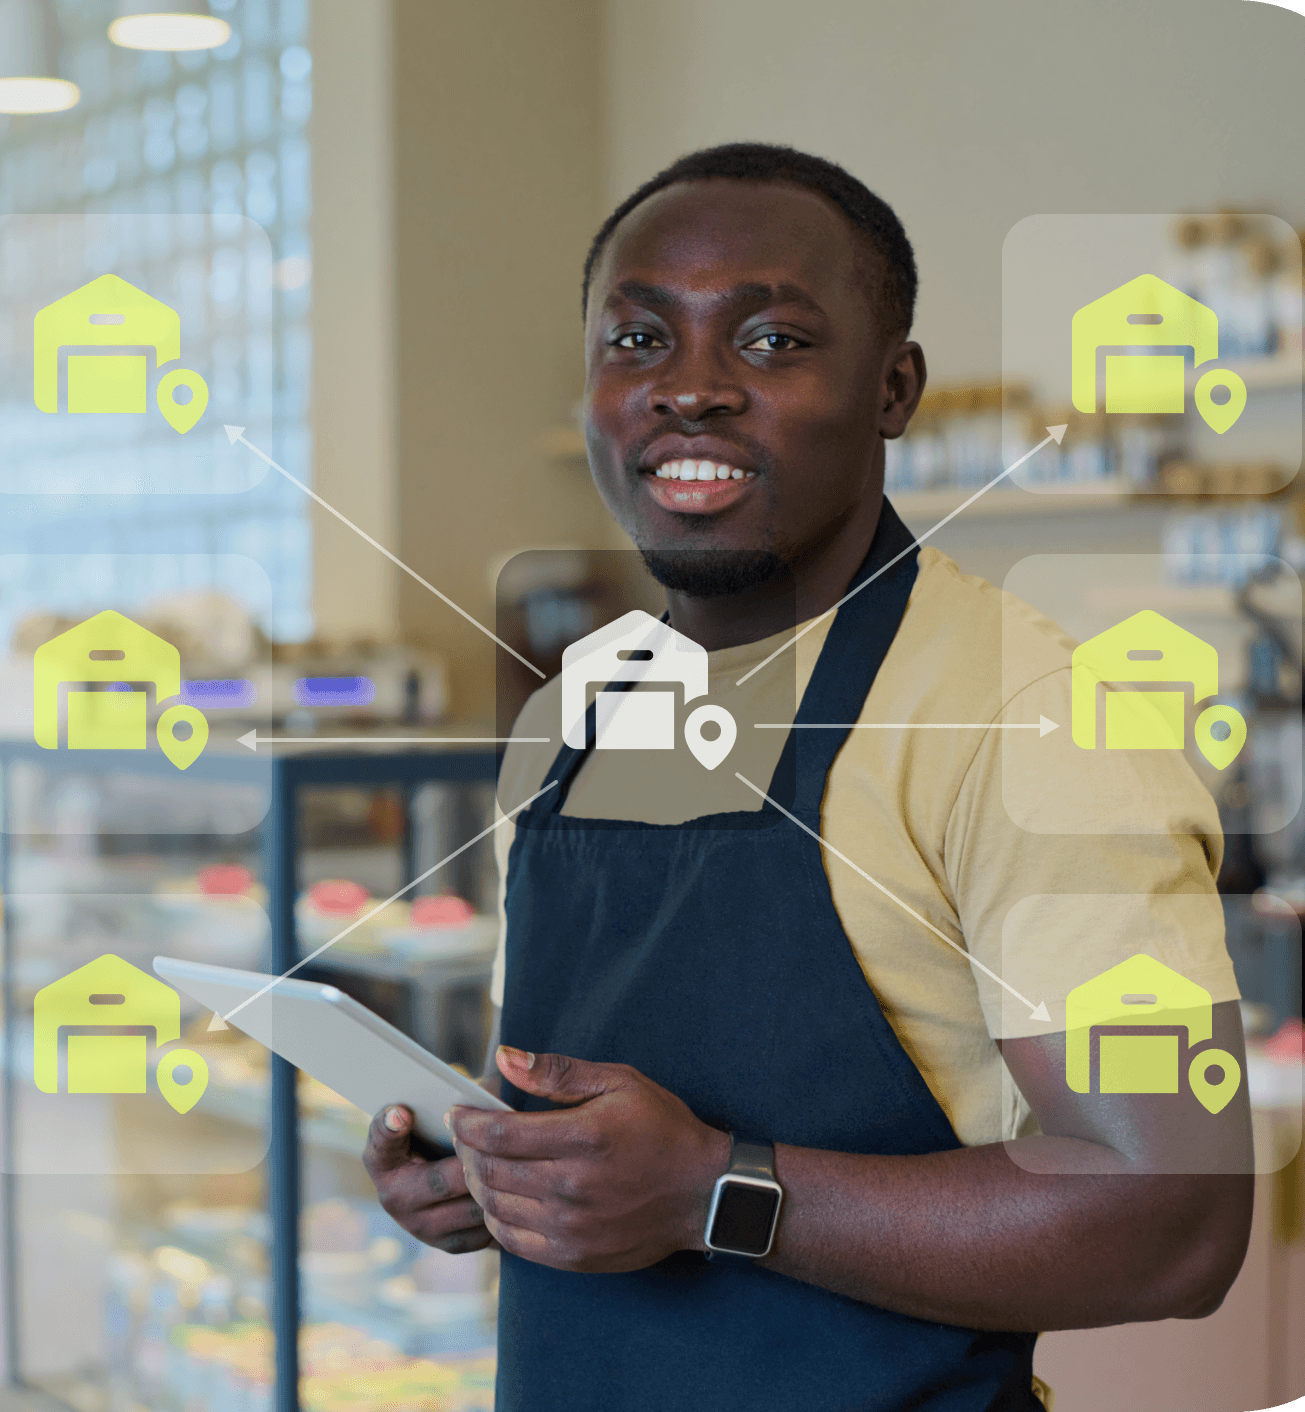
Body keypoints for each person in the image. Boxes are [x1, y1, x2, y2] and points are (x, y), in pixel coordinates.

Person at [363, 143, 1253, 1411]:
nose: (692, 391)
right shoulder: (574, 717)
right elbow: (592, 1139)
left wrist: (710, 1190)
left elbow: (1179, 1213)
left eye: (773, 341)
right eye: (637, 341)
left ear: (893, 388)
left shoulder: (1033, 718)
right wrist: (499, 1178)